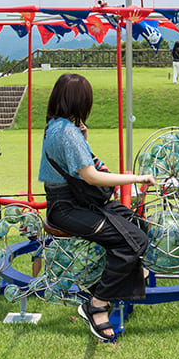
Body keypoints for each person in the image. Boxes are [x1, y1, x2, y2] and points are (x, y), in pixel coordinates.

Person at [39, 73, 155, 342]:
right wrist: (137, 177)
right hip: (68, 208)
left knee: (136, 224)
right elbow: (91, 177)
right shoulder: (67, 132)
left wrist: (84, 139)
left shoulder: (55, 126)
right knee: (131, 241)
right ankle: (97, 303)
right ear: (80, 102)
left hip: (74, 203)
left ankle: (122, 278)